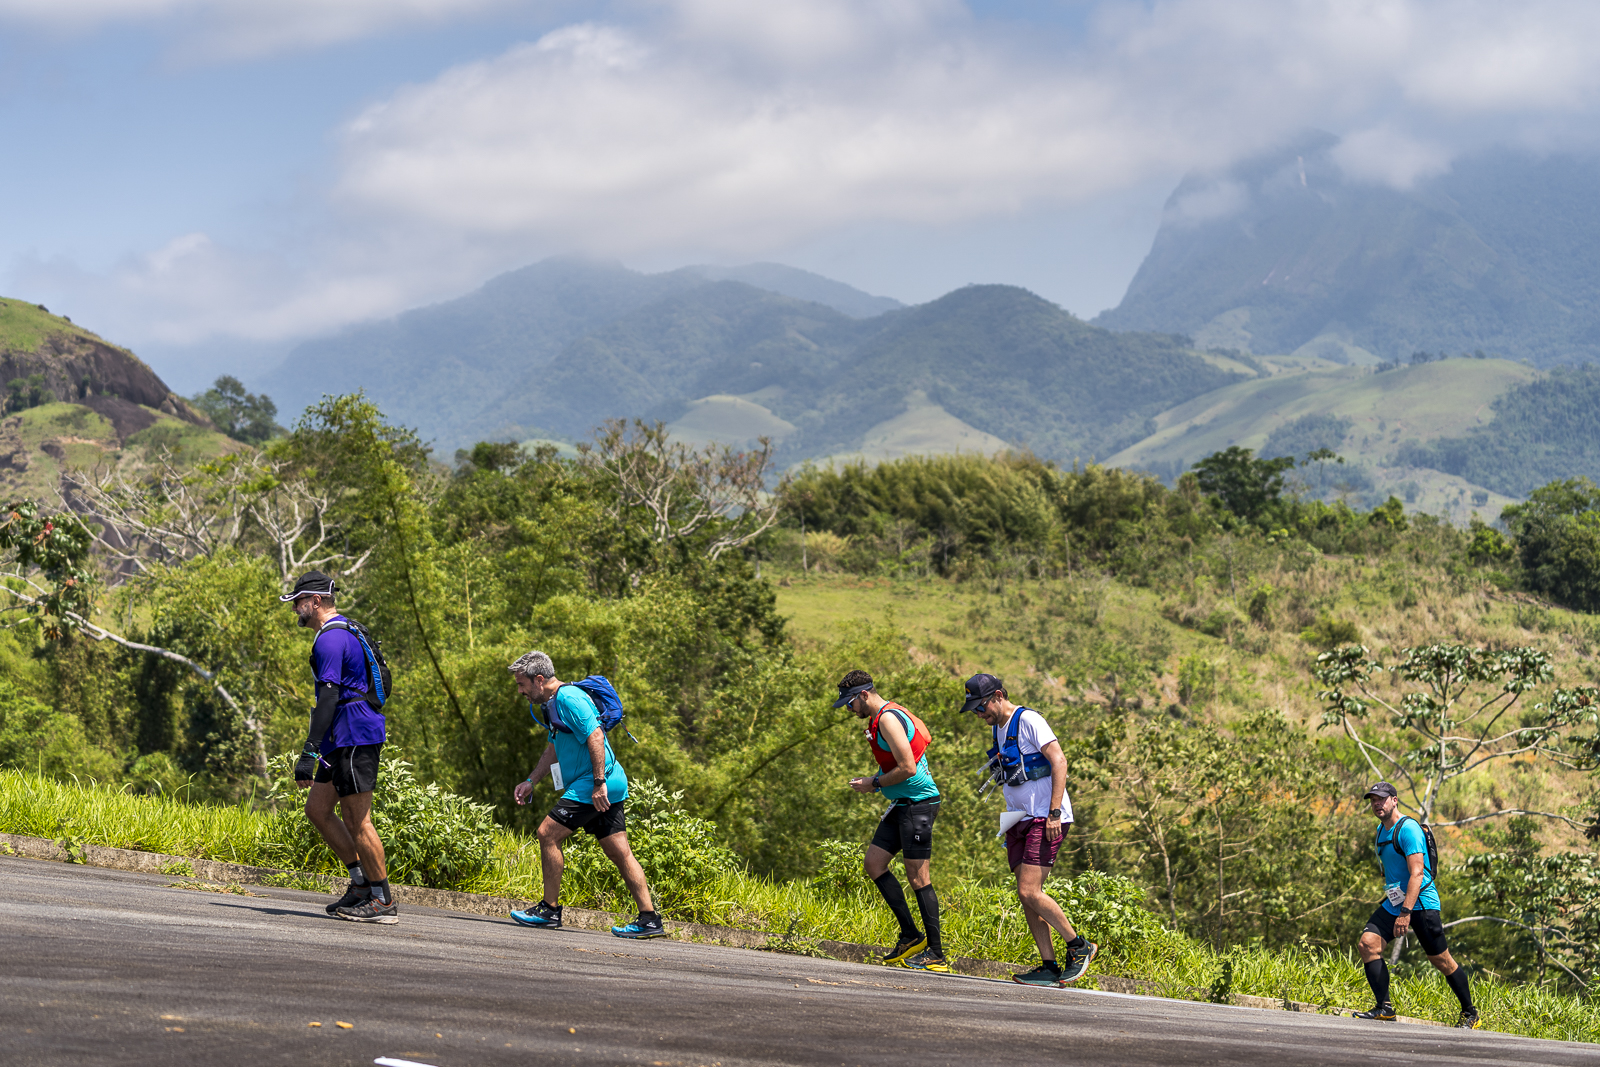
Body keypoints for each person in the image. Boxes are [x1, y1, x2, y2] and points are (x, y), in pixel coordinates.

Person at [505, 650, 665, 939]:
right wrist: (531, 780)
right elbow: (553, 750)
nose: (520, 691)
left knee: (547, 834)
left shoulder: (569, 698)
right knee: (619, 851)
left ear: (539, 680)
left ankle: (549, 910)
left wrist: (598, 783)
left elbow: (596, 736)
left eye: (522, 685)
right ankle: (650, 918)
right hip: (606, 782)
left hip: (594, 783)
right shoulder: (553, 704)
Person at [965, 673, 1096, 986]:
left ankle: (1080, 947)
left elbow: (1059, 761)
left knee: (1029, 890)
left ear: (997, 695)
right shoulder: (998, 728)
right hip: (1018, 818)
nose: (979, 715)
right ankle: (1048, 966)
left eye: (981, 707)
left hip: (1044, 817)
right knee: (1027, 896)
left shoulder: (1029, 720)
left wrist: (1053, 813)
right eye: (975, 711)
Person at [281, 571, 396, 924]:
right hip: (340, 736)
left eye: (299, 602)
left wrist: (308, 751)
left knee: (357, 820)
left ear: (315, 601)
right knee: (317, 808)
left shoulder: (329, 639)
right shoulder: (346, 629)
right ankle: (361, 883)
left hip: (354, 734)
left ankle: (383, 900)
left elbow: (329, 695)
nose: (296, 609)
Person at [835, 670, 948, 973]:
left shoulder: (886, 718)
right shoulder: (881, 718)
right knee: (873, 864)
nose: (849, 710)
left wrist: (874, 783)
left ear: (864, 695)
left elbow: (908, 768)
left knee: (918, 877)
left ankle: (936, 953)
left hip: (919, 804)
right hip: (902, 803)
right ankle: (911, 935)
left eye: (850, 703)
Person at [1354, 782, 1479, 1028]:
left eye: (1381, 799)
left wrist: (1405, 913)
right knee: (1367, 944)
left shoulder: (1408, 829)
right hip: (1395, 902)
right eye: (1373, 800)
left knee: (1442, 960)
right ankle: (1384, 1008)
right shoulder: (1381, 831)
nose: (1377, 804)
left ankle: (1470, 1012)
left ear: (1394, 800)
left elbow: (1418, 873)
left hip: (1420, 903)